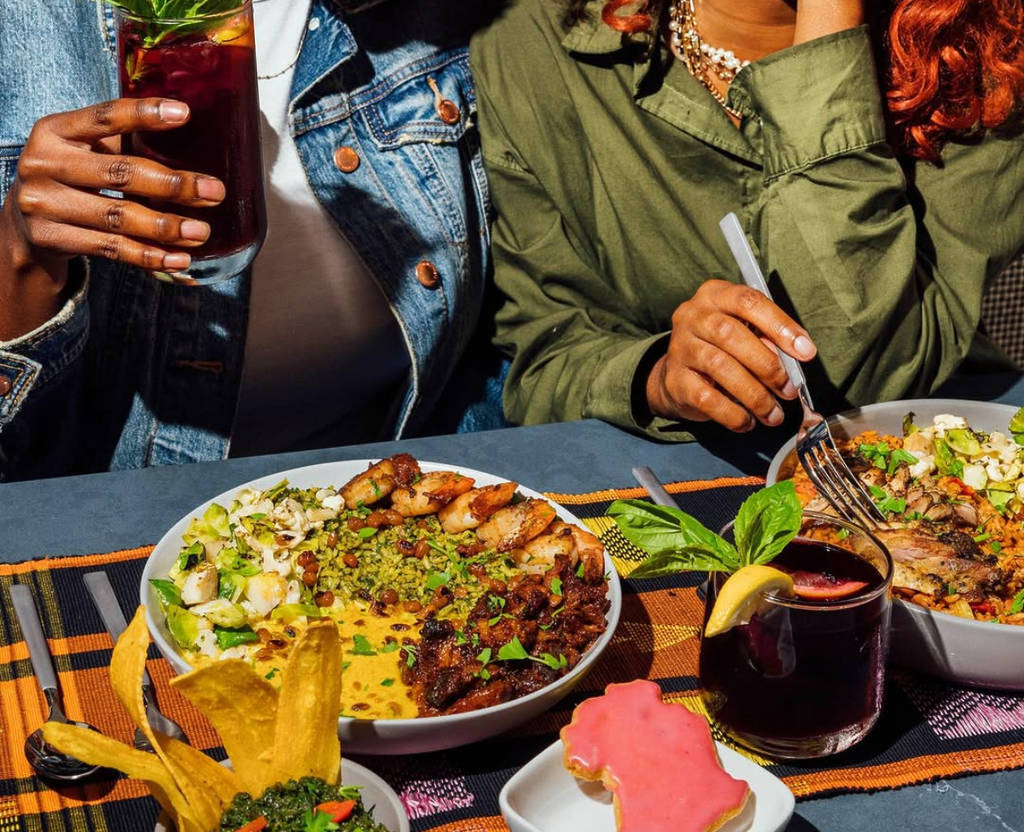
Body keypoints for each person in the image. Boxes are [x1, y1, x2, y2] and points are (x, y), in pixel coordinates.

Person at [470, 0, 1024, 439]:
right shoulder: (531, 34)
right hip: (660, 485)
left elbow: (863, 382)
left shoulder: (990, 49)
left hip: (940, 465)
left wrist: (828, 26)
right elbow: (543, 358)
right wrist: (659, 377)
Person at [0, 0, 501, 482]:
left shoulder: (445, 18)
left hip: (400, 494)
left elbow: (510, 328)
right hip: (128, 526)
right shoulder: (31, 25)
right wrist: (20, 255)